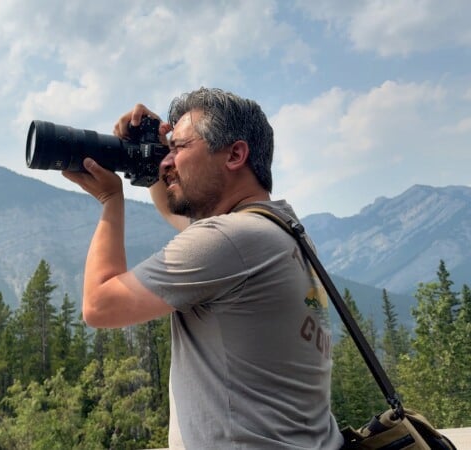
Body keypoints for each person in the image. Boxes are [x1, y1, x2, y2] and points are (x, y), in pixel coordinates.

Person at [62, 87, 343, 449]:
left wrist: (110, 199)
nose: (167, 161)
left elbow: (100, 305)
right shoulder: (278, 230)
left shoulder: (230, 240)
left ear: (235, 154)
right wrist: (153, 164)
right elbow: (177, 214)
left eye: (179, 148)